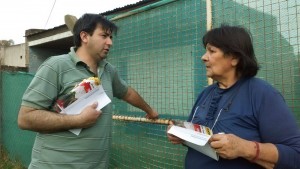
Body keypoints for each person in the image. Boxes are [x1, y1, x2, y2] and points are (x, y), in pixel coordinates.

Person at [18, 13, 159, 169]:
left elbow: (127, 92)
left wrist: (150, 110)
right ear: (84, 37)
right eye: (104, 36)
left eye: (111, 37)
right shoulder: (56, 66)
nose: (110, 42)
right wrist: (78, 120)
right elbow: (25, 118)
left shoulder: (108, 70)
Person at [167, 25, 300, 169]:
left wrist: (244, 148)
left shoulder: (262, 94)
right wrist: (182, 134)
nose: (203, 57)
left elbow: (295, 155)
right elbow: (197, 135)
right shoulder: (205, 94)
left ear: (234, 58)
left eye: (211, 51)